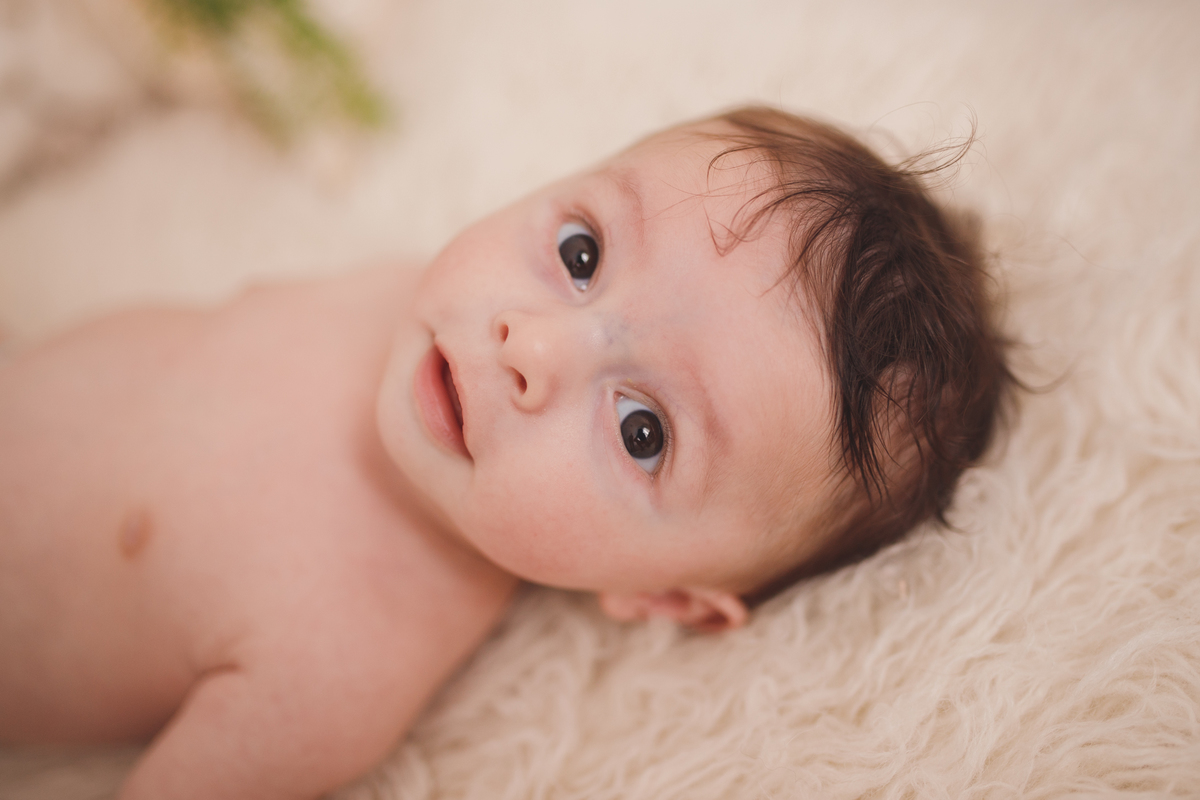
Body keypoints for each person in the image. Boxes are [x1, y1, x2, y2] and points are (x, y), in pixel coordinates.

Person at [0, 106, 1010, 798]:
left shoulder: (347, 657)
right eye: (583, 254)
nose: (532, 345)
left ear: (666, 596)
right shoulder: (405, 290)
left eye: (641, 429)